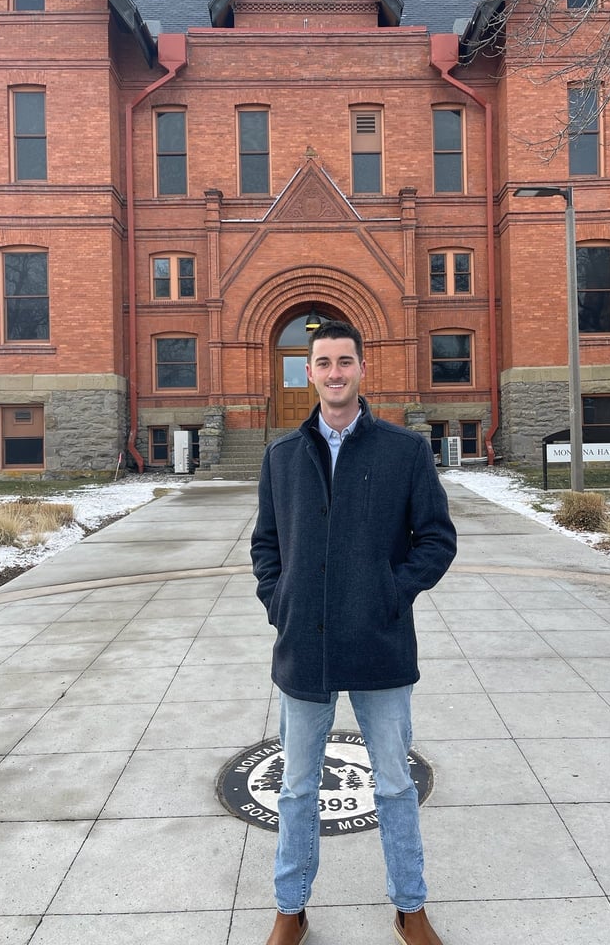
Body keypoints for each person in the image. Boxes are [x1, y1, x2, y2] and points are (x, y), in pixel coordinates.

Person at [251, 319, 457, 945]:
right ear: (307, 372)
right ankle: (291, 907)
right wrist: (280, 601)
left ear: (362, 369)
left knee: (394, 783)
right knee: (296, 788)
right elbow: (267, 546)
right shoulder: (282, 456)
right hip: (303, 649)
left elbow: (437, 540)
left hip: (379, 645)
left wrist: (389, 594)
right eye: (323, 363)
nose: (334, 373)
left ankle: (409, 905)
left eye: (345, 361)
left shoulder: (404, 451)